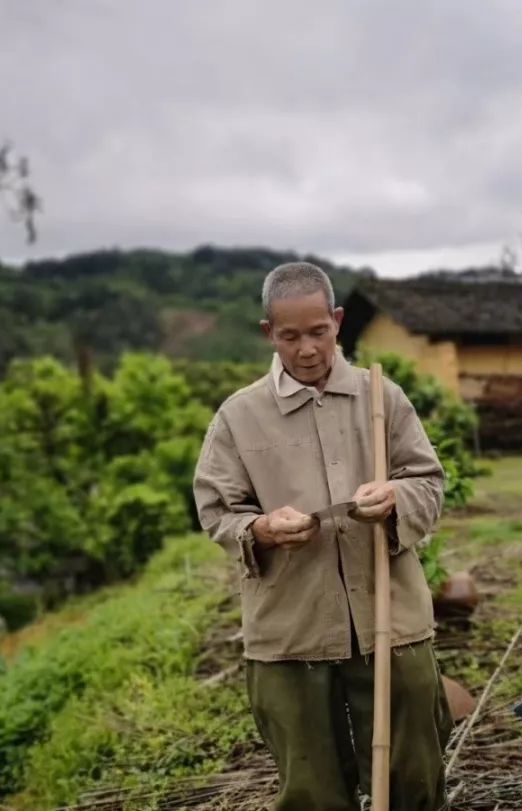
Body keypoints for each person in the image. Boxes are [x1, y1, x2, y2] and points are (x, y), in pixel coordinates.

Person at [193, 262, 452, 811]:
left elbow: (427, 482)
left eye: (318, 332)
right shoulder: (239, 417)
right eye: (290, 336)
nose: (307, 349)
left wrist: (396, 500)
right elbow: (218, 512)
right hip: (291, 630)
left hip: (391, 619)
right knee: (311, 790)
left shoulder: (382, 398)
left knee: (413, 774)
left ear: (337, 322)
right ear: (269, 333)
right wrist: (260, 528)